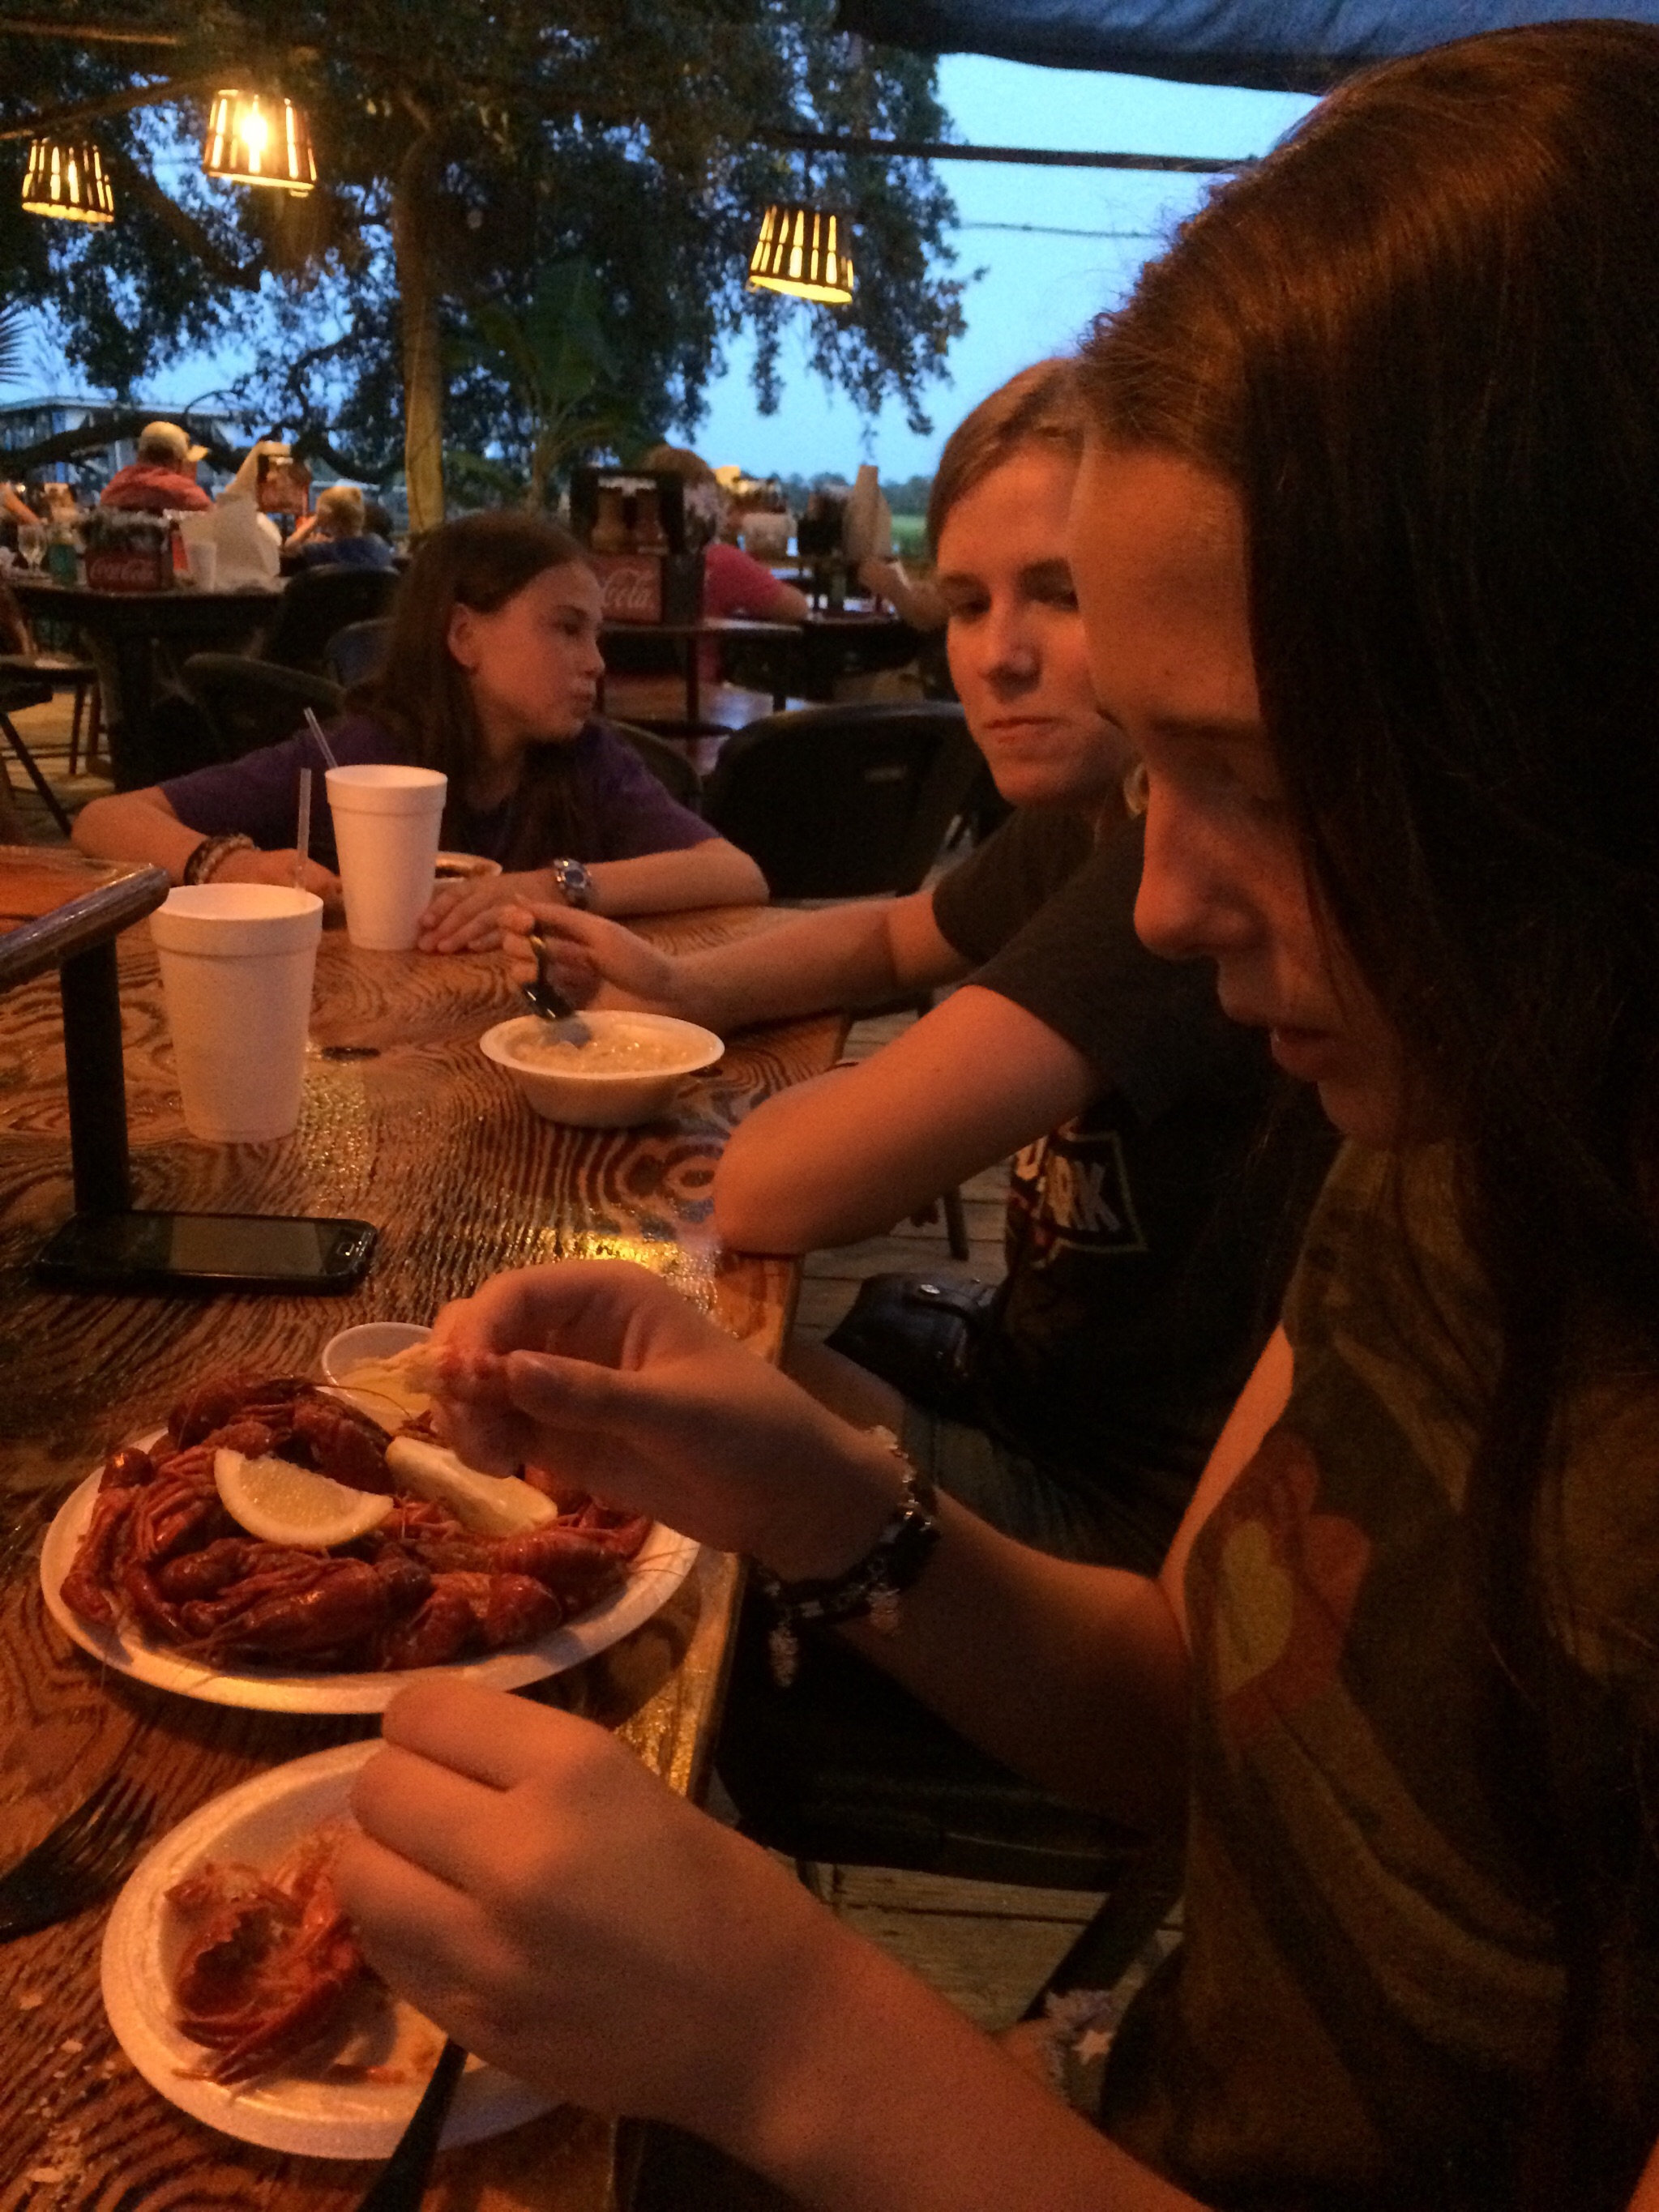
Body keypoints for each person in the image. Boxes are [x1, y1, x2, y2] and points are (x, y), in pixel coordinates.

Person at [334, 24, 1659, 2211]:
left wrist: (785, 2038)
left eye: (1251, 779)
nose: (1156, 903)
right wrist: (817, 1498)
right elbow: (1190, 1716)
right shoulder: (1441, 1151)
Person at [511, 361, 1330, 1569]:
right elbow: (897, 933)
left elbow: (770, 1191)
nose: (997, 657)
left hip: (1106, 1524)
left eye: (1059, 593)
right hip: (1016, 1383)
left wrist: (860, 1098)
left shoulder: (1171, 865)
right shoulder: (1084, 818)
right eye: (965, 603)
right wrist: (681, 986)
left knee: (600, 1383)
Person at [73, 512, 767, 935]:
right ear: (464, 636)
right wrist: (232, 864)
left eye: (595, 635)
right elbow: (105, 820)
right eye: (565, 629)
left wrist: (545, 885)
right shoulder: (367, 756)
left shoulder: (587, 759)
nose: (595, 662)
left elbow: (735, 874)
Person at [280, 483, 397, 574]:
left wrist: (315, 520)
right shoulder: (380, 547)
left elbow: (289, 546)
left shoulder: (322, 551)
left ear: (325, 517)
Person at [98, 421, 211, 513]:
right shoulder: (189, 497)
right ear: (177, 463)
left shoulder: (113, 491)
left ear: (139, 457)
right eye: (191, 463)